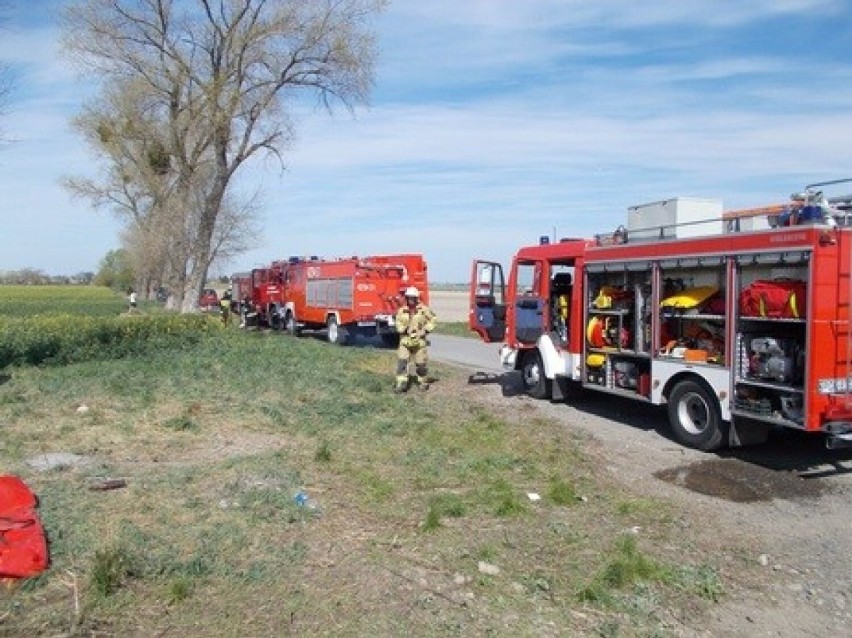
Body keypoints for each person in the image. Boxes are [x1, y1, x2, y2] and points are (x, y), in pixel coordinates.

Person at [393, 286, 437, 392]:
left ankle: (423, 382)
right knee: (402, 362)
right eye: (409, 298)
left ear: (417, 298)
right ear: (406, 298)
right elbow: (398, 322)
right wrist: (402, 329)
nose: (411, 300)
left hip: (419, 342)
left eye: (413, 298)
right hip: (405, 341)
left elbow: (433, 319)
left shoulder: (424, 310)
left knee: (421, 364)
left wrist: (425, 330)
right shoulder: (402, 310)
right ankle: (401, 384)